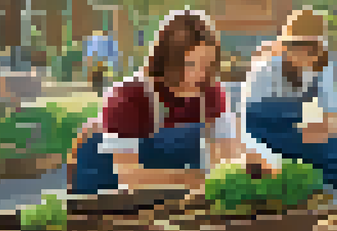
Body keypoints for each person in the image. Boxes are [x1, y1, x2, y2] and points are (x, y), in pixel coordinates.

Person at [68, 10, 241, 194]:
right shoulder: (128, 96)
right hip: (104, 188)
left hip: (171, 191)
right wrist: (195, 179)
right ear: (166, 60)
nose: (200, 74)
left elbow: (226, 158)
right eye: (190, 64)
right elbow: (128, 176)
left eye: (206, 64)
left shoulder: (211, 93)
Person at [238, 9, 337, 189]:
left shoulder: (322, 67)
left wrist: (320, 130)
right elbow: (245, 122)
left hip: (294, 134)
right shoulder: (265, 69)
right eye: (297, 46)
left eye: (312, 48)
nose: (304, 54)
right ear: (286, 46)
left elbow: (331, 116)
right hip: (260, 136)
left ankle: (304, 181)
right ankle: (292, 180)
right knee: (261, 170)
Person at [84, 29, 118, 95]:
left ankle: (99, 90)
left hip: (99, 61)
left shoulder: (101, 41)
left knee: (99, 76)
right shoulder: (105, 41)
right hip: (100, 61)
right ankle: (100, 90)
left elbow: (90, 52)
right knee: (99, 76)